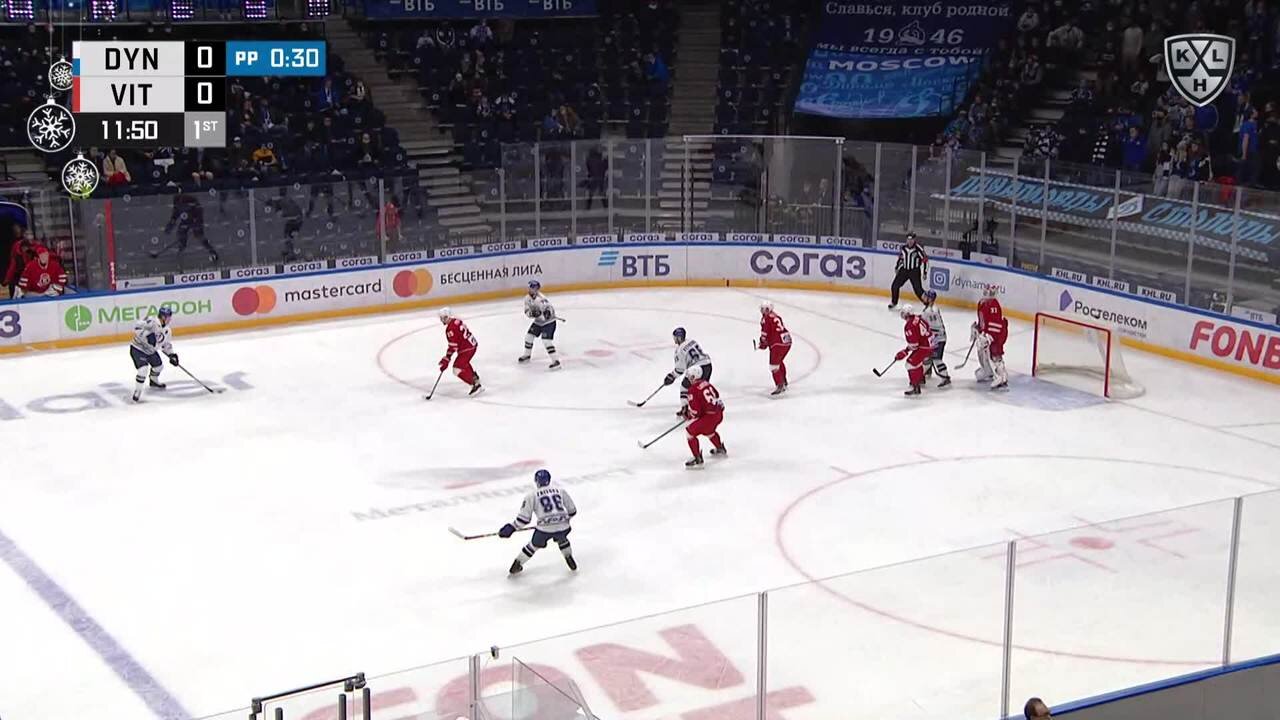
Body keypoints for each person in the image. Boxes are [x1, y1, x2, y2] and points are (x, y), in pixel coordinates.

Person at [498, 468, 577, 575]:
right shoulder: (560, 491)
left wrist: (512, 527)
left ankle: (517, 563)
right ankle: (568, 556)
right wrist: (562, 519)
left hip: (544, 530)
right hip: (563, 526)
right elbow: (572, 511)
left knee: (533, 545)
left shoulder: (532, 495)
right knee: (562, 538)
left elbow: (524, 519)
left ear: (536, 481)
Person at [129, 306, 178, 403]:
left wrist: (172, 355)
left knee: (159, 367)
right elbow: (137, 327)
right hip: (138, 349)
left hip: (151, 351)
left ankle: (153, 380)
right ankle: (138, 391)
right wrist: (147, 336)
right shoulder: (152, 321)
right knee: (143, 370)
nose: (170, 319)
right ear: (163, 317)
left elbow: (166, 345)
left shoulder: (167, 330)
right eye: (169, 317)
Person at [683, 368, 726, 469]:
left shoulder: (692, 389)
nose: (688, 379)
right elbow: (717, 395)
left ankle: (697, 458)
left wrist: (689, 415)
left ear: (693, 377)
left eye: (689, 376)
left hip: (708, 418)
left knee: (690, 433)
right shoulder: (706, 383)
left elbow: (696, 411)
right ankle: (720, 448)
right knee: (709, 431)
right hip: (718, 414)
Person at [665, 327, 712, 416]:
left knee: (684, 386)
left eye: (675, 337)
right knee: (702, 388)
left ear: (678, 338)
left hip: (697, 368)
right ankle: (706, 407)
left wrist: (672, 376)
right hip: (708, 365)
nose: (674, 339)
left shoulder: (679, 350)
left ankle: (685, 409)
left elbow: (680, 369)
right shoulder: (692, 341)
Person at [163, 187, 219, 262]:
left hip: (195, 219)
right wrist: (170, 224)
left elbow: (199, 210)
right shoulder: (176, 200)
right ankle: (180, 251)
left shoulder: (190, 199)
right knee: (181, 234)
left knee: (200, 236)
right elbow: (175, 213)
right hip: (185, 220)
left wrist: (197, 222)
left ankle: (212, 252)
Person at [439, 307, 483, 396]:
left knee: (457, 369)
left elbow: (453, 346)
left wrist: (447, 358)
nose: (443, 320)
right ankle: (474, 378)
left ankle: (475, 385)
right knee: (463, 362)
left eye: (444, 317)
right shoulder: (457, 321)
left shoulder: (450, 329)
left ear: (449, 316)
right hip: (471, 345)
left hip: (466, 349)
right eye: (441, 318)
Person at [518, 280, 560, 369]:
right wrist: (532, 314)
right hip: (538, 322)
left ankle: (556, 361)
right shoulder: (527, 298)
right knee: (529, 337)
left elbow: (549, 310)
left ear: (536, 289)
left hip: (549, 323)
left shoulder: (541, 299)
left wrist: (546, 314)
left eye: (531, 288)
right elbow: (527, 311)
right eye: (529, 288)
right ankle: (527, 355)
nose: (529, 290)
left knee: (546, 341)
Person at [974, 286, 1009, 390]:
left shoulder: (994, 305)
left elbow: (996, 323)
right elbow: (983, 321)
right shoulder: (982, 303)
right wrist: (978, 329)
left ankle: (1001, 376)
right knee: (982, 349)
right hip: (988, 333)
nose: (987, 294)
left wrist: (990, 336)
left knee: (995, 353)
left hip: (997, 334)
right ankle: (987, 370)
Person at [895, 305, 934, 397]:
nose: (902, 315)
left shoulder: (909, 325)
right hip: (930, 344)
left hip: (924, 347)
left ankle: (915, 386)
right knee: (917, 362)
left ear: (907, 314)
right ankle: (920, 379)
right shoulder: (918, 317)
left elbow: (914, 345)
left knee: (910, 364)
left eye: (903, 313)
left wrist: (904, 352)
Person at [757, 301, 792, 396]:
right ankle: (783, 381)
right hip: (787, 342)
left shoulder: (765, 319)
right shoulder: (776, 316)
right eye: (763, 309)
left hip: (778, 344)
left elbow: (765, 334)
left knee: (774, 366)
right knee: (779, 362)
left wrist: (763, 343)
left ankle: (780, 384)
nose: (763, 311)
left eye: (765, 309)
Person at [888, 232, 928, 309]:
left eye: (911, 239)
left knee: (918, 290)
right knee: (895, 285)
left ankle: (927, 303)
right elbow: (901, 258)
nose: (910, 241)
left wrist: (925, 272)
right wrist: (897, 267)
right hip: (904, 270)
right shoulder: (903, 248)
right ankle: (894, 302)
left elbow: (925, 260)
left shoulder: (918, 249)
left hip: (914, 271)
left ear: (914, 240)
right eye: (908, 239)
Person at [920, 290, 951, 387]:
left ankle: (945, 377)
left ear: (930, 299)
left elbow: (932, 326)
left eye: (926, 297)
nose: (924, 298)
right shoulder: (931, 309)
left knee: (937, 359)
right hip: (935, 338)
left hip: (938, 338)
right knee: (926, 356)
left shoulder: (930, 311)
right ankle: (926, 373)